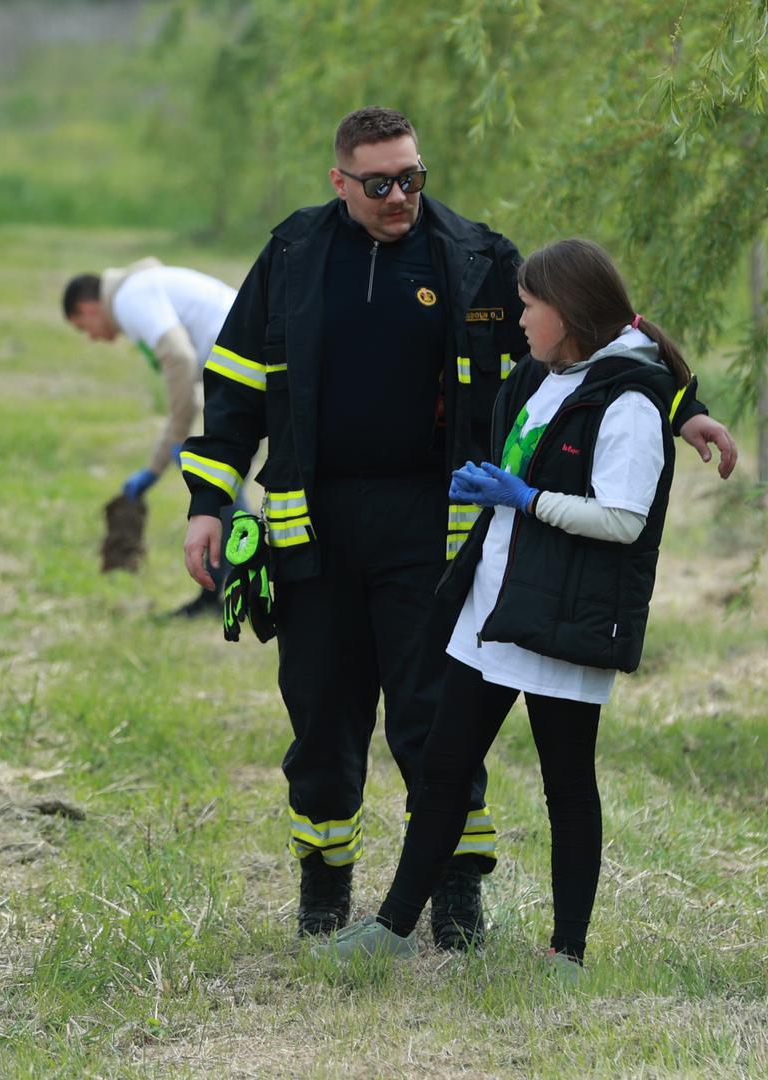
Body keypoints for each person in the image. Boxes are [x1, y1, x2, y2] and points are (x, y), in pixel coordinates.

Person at [180, 108, 738, 944]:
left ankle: (455, 890)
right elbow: (232, 386)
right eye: (379, 183)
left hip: (431, 529)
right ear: (339, 183)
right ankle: (324, 884)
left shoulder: (474, 255)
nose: (400, 194)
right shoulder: (293, 254)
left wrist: (678, 407)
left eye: (412, 177)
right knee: (322, 715)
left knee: (430, 716)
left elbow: (584, 337)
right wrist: (207, 502)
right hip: (312, 527)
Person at [314, 238, 692, 971]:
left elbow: (623, 519)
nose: (517, 319)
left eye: (528, 306)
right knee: (441, 773)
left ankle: (567, 954)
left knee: (567, 787)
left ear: (569, 312)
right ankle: (390, 931)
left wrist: (525, 498)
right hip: (490, 606)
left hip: (562, 618)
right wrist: (496, 484)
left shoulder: (630, 403)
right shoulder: (542, 375)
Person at [64, 260, 242, 617]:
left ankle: (236, 588)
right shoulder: (140, 290)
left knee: (219, 481)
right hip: (241, 362)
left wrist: (168, 451)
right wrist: (160, 462)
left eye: (85, 328)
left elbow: (178, 359)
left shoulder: (130, 300)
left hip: (247, 363)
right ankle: (228, 588)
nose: (93, 337)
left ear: (87, 308)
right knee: (222, 481)